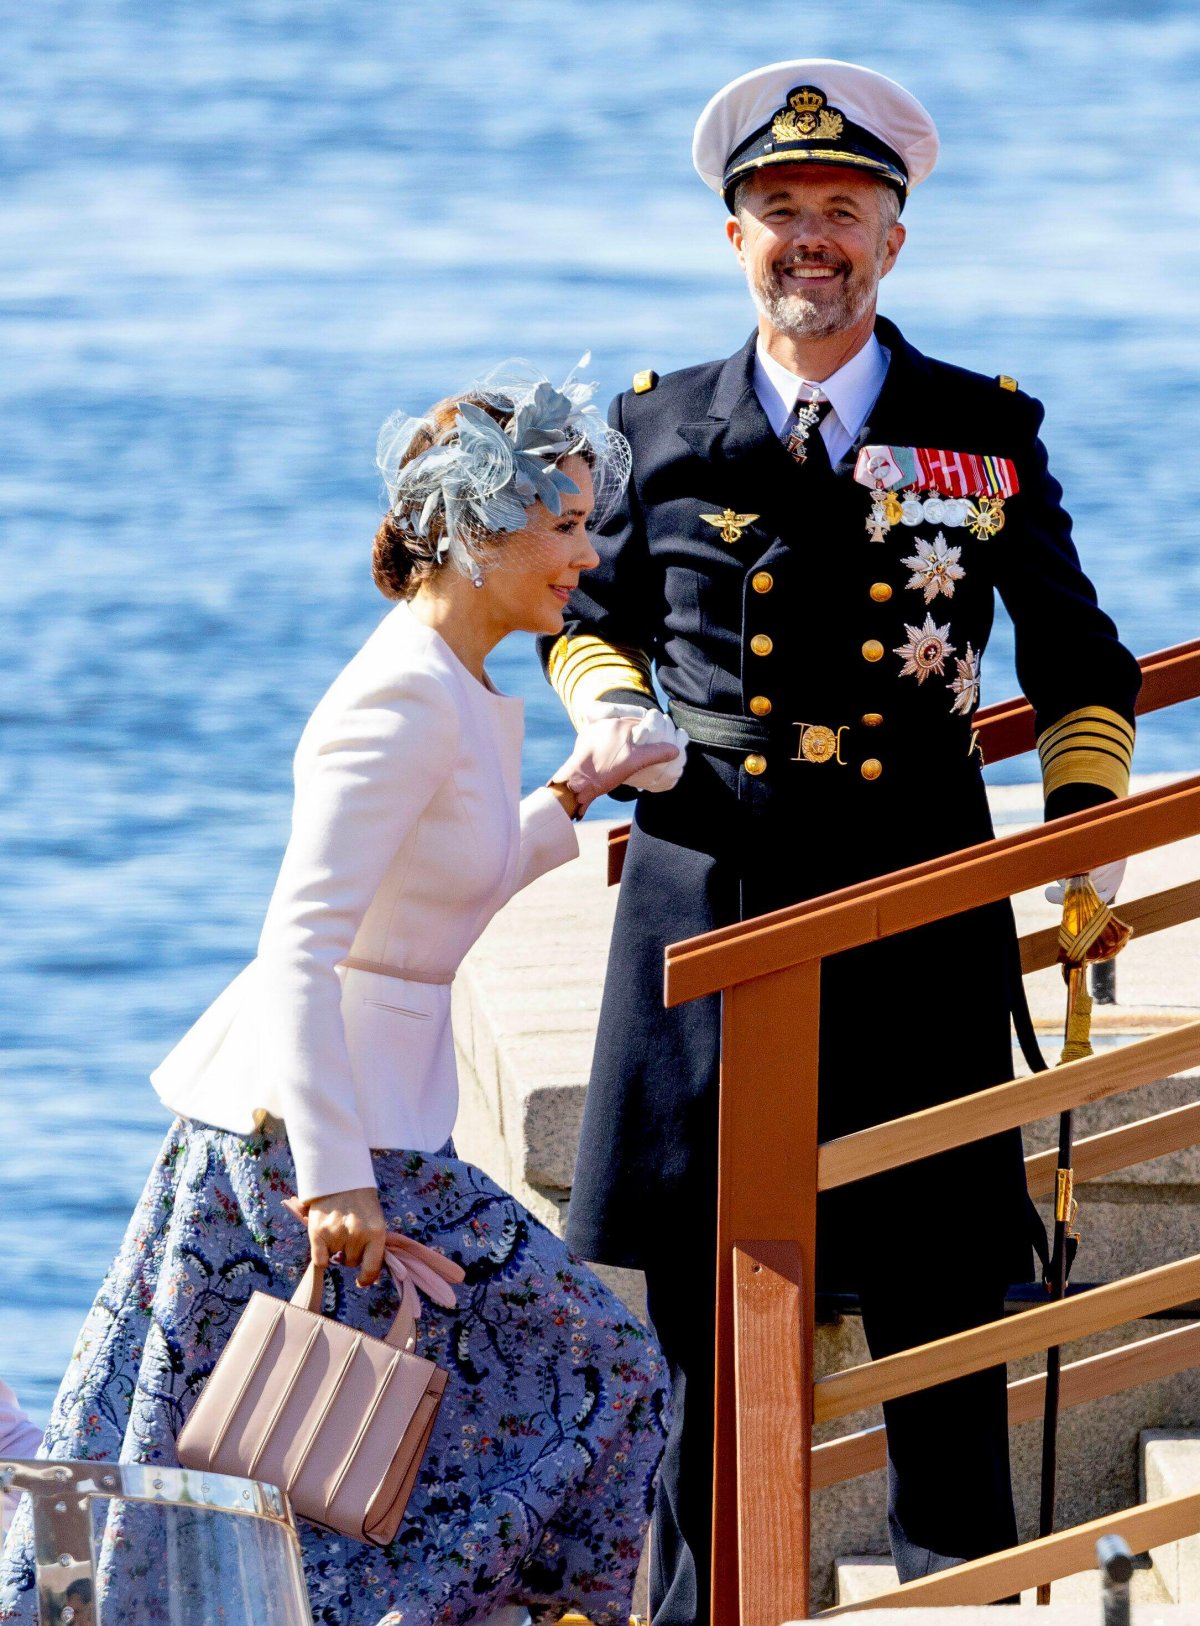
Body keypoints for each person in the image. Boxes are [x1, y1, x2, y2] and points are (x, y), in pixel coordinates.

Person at [540, 60, 1141, 1624]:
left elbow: (1081, 658)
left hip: (918, 906)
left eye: (841, 213)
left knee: (943, 1300)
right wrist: (613, 713)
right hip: (706, 905)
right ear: (734, 235)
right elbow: (582, 621)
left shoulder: (980, 432)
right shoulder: (658, 426)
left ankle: (960, 1602)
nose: (811, 239)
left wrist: (1082, 843)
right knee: (702, 1335)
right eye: (779, 211)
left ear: (893, 237)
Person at [0, 362, 682, 1626]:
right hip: (310, 1146)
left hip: (376, 1132)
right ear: (476, 534)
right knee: (580, 1380)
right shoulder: (398, 699)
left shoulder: (458, 687)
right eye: (567, 525)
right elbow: (303, 942)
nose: (589, 556)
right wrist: (333, 1179)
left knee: (258, 1461)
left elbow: (437, 893)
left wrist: (582, 791)